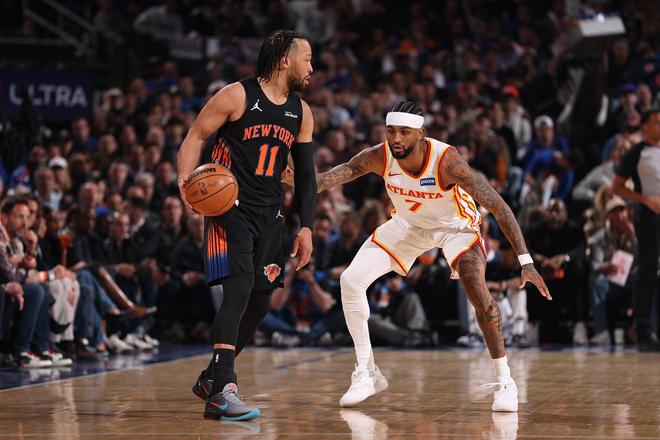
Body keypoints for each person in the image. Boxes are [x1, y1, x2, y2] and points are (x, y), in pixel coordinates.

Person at [286, 101, 550, 411]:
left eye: (404, 132)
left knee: (477, 289)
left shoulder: (448, 162)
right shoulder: (380, 155)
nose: (396, 138)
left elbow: (499, 206)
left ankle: (505, 381)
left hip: (455, 228)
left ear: (420, 134)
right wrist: (297, 179)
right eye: (391, 131)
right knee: (350, 280)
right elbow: (330, 178)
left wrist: (526, 262)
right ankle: (367, 372)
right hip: (408, 226)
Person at [177, 29, 317, 421]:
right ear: (285, 59)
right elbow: (195, 136)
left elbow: (306, 178)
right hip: (229, 207)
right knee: (238, 288)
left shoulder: (301, 112)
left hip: (271, 214)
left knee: (259, 303)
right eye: (307, 58)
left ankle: (211, 377)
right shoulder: (237, 95)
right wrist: (185, 180)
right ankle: (223, 389)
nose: (312, 67)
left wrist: (306, 227)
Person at [612, 109, 660, 351]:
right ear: (645, 127)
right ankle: (643, 330)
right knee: (647, 270)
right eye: (657, 123)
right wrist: (644, 199)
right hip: (649, 217)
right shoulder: (636, 152)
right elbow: (617, 187)